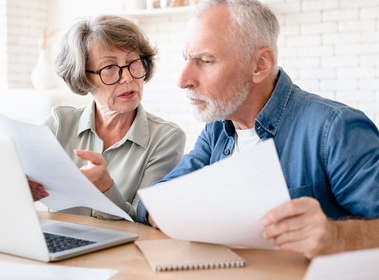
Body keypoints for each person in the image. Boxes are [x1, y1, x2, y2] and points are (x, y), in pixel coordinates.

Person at [136, 0, 379, 259]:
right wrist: (162, 211)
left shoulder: (335, 129)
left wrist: (337, 236)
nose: (183, 81)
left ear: (260, 65)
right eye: (186, 60)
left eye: (205, 60)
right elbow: (153, 201)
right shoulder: (217, 129)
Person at [29, 15, 186, 221]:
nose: (128, 78)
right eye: (110, 68)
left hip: (126, 250)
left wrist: (106, 187)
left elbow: (146, 219)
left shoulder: (166, 138)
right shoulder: (60, 123)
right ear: (83, 77)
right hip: (63, 245)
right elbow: (15, 183)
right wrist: (22, 188)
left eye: (133, 63)